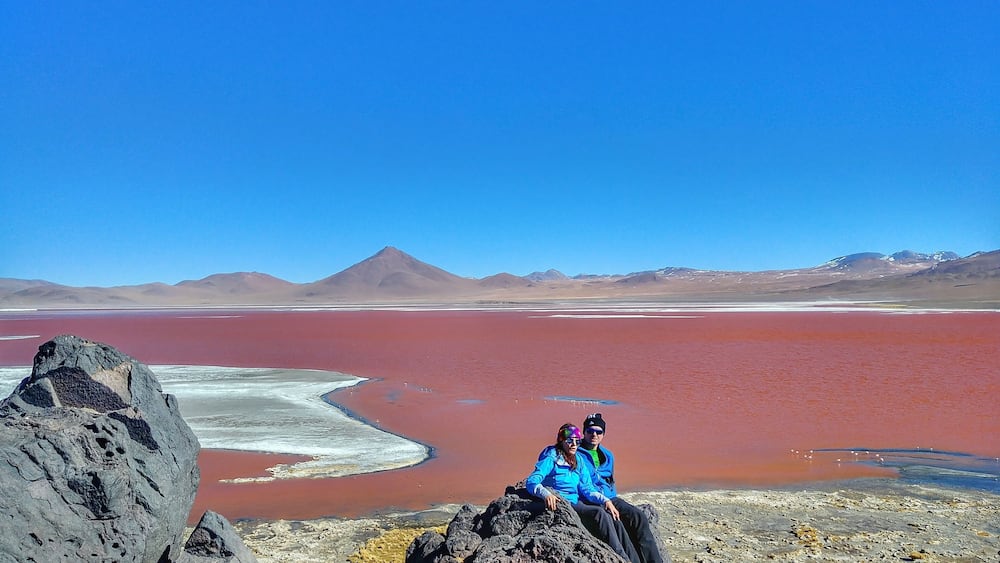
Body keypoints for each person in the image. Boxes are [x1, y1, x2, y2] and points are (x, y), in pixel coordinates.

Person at [526, 423, 640, 563]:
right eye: (569, 440)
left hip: (576, 500)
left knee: (611, 513)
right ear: (561, 440)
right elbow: (532, 481)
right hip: (564, 503)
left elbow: (587, 489)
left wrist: (605, 500)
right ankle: (622, 558)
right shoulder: (552, 457)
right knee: (599, 514)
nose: (574, 444)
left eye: (577, 441)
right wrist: (546, 494)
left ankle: (633, 559)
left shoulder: (578, 460)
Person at [578, 413, 669, 563]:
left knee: (638, 516)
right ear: (584, 432)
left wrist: (611, 499)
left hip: (611, 498)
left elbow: (610, 481)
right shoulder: (576, 453)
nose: (594, 434)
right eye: (589, 431)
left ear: (603, 434)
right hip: (592, 499)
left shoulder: (608, 455)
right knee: (617, 524)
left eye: (598, 431)